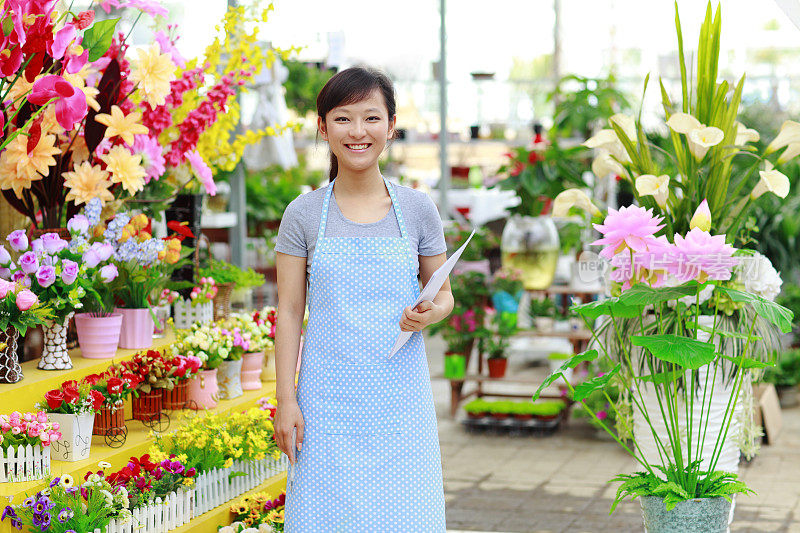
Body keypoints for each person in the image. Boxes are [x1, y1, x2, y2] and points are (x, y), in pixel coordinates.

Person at [274, 66, 453, 531]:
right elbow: (290, 313)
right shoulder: (303, 214)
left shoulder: (417, 209)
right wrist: (285, 399)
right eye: (343, 118)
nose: (358, 132)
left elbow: (445, 295)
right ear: (323, 127)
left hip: (400, 398)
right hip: (327, 399)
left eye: (371, 118)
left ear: (391, 127)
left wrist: (428, 313)